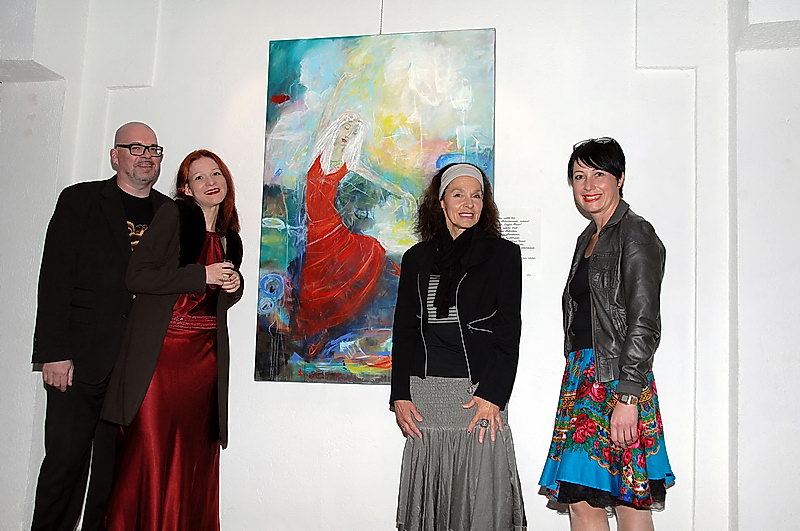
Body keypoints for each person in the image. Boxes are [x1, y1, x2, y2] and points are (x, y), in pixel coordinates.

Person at [30, 122, 169, 531]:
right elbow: (55, 278)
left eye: (154, 149)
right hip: (77, 362)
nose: (146, 156)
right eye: (135, 147)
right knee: (65, 465)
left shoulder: (170, 213)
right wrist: (53, 353)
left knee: (114, 477)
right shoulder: (81, 200)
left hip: (135, 369)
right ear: (115, 156)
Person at [101, 149, 243, 530]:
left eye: (216, 174)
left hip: (205, 363)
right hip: (162, 360)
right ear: (186, 189)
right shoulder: (173, 216)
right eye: (199, 177)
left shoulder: (231, 238)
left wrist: (234, 285)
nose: (211, 182)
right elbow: (138, 276)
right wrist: (201, 275)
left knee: (194, 459)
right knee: (149, 454)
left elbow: (215, 300)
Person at [538, 138, 675, 530]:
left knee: (630, 501)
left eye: (599, 173)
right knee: (583, 504)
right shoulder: (588, 238)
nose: (588, 185)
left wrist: (627, 395)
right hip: (583, 378)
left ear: (620, 178)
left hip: (618, 379)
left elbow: (644, 322)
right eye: (579, 176)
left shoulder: (636, 233)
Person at [390, 162, 526, 530]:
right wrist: (400, 394)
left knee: (479, 507)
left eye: (477, 196)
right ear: (441, 201)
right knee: (433, 508)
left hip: (478, 395)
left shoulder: (503, 254)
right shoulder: (416, 258)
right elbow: (404, 330)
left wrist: (493, 396)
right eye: (458, 194)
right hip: (426, 397)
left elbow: (508, 331)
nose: (469, 203)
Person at [293, 110, 414, 343]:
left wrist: (403, 193)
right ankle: (313, 328)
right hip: (314, 229)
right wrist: (338, 89)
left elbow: (377, 179)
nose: (348, 134)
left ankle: (321, 329)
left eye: (354, 131)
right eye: (346, 127)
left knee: (363, 254)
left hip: (331, 226)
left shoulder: (349, 162)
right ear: (337, 126)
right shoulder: (319, 150)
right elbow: (325, 116)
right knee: (313, 279)